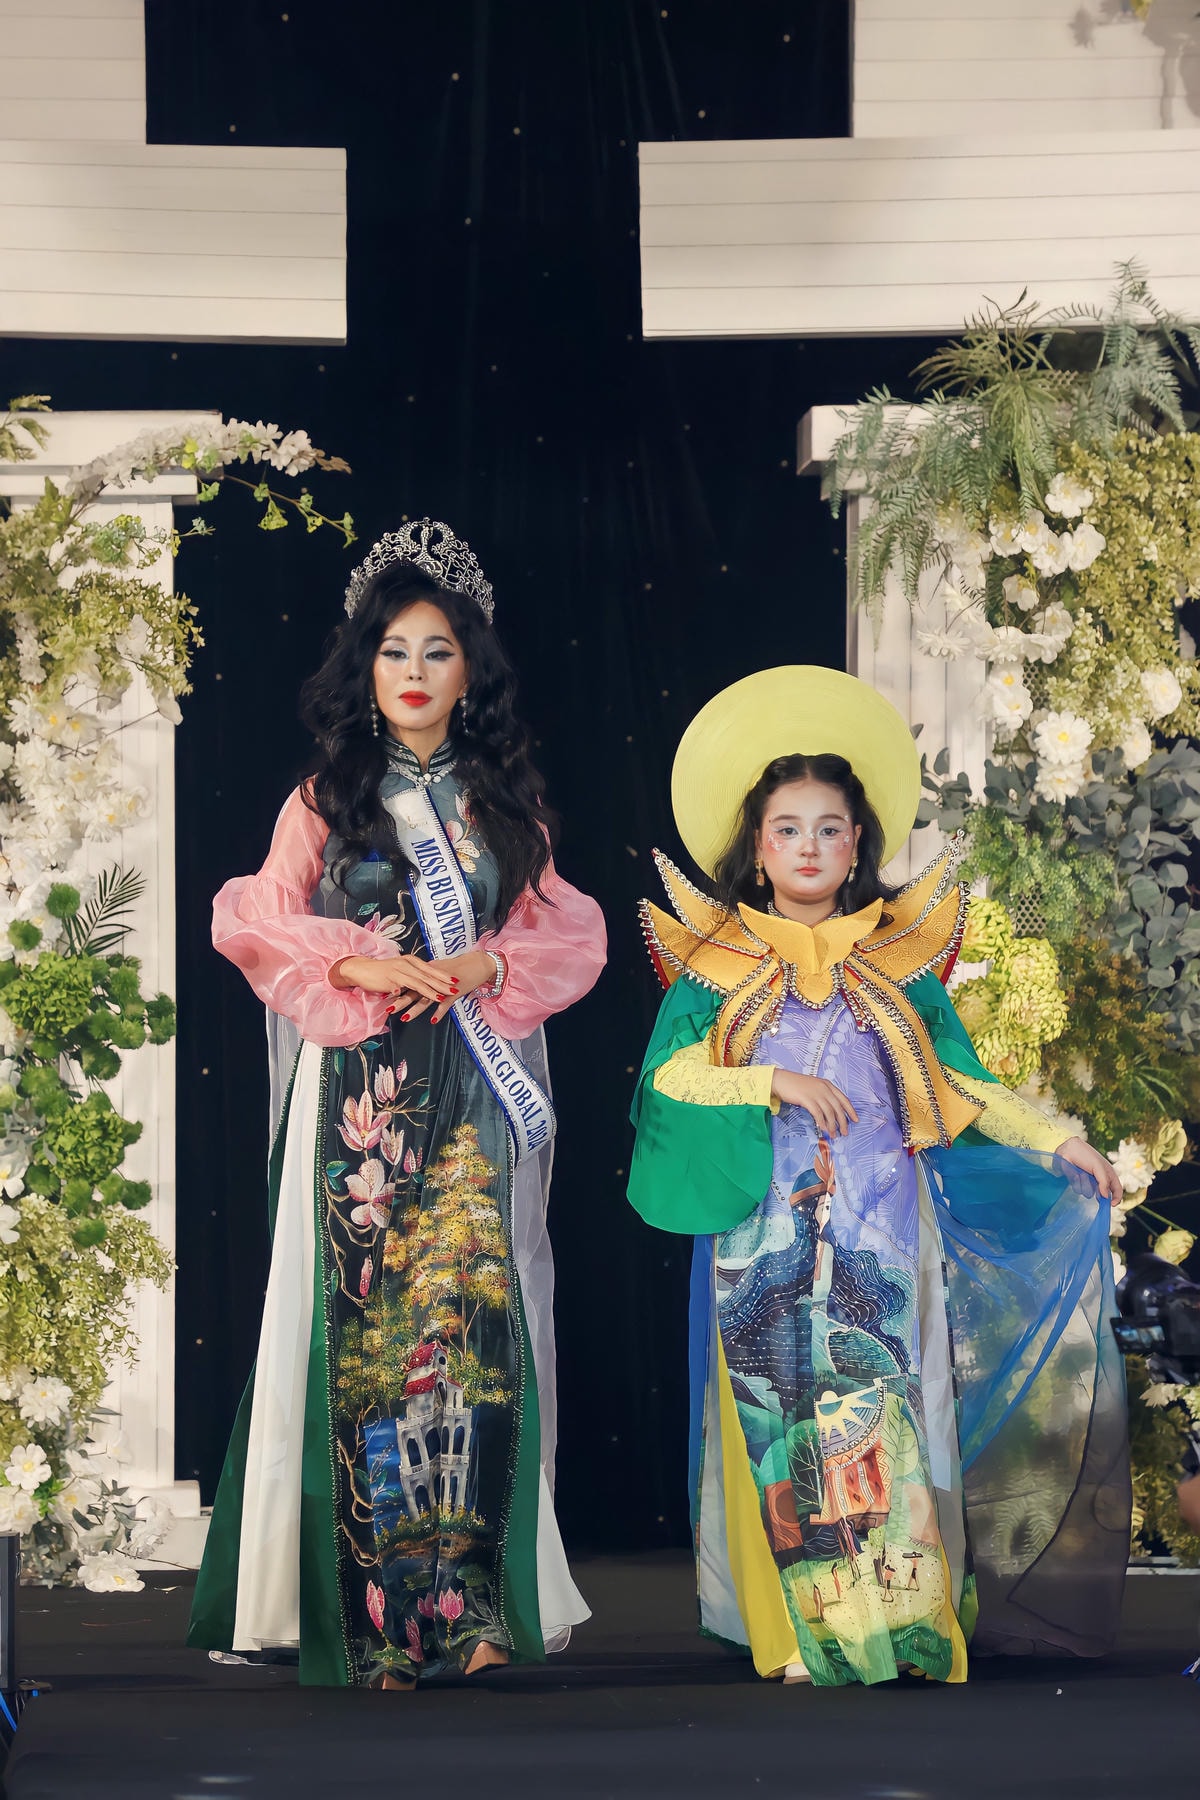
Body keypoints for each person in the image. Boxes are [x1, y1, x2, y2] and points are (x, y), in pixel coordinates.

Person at [628, 666, 1130, 1688]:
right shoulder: (718, 967)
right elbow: (669, 1078)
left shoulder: (894, 964)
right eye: (787, 830)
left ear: (859, 844)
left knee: (888, 1416)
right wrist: (771, 1081)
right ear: (756, 848)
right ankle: (803, 1630)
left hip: (883, 1235)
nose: (809, 847)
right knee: (782, 1422)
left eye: (830, 829)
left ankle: (900, 1623)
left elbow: (958, 1084)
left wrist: (1056, 1138)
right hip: (764, 1235)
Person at [188, 520, 606, 1689]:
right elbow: (254, 918)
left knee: (466, 1339)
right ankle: (369, 1613)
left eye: (437, 651)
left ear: (471, 670)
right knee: (365, 1339)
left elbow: (567, 934)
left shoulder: (506, 805)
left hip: (467, 1088)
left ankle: (467, 1607)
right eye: (393, 651)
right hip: (359, 1100)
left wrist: (481, 963)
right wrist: (359, 961)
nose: (414, 673)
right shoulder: (325, 797)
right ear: (363, 666)